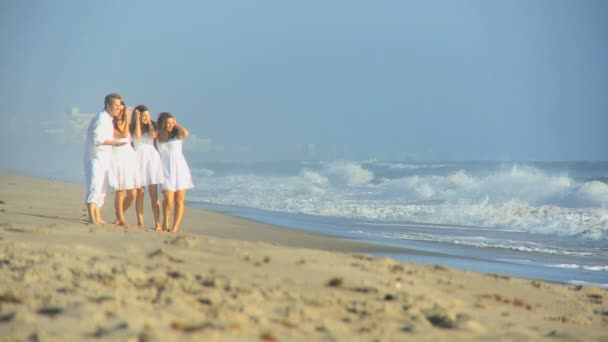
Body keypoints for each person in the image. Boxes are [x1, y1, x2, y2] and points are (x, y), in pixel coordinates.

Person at [83, 93, 126, 224]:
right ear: (108, 105)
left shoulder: (109, 118)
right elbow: (97, 139)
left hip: (104, 158)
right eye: (116, 105)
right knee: (95, 186)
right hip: (95, 157)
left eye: (120, 105)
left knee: (102, 188)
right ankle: (92, 217)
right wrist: (115, 143)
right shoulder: (101, 118)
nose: (119, 108)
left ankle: (98, 216)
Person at [156, 112, 193, 234]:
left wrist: (176, 124)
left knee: (179, 199)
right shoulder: (157, 136)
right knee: (168, 198)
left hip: (180, 169)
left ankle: (175, 227)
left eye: (172, 123)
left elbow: (186, 133)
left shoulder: (177, 135)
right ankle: (165, 221)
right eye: (168, 123)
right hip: (165, 169)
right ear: (162, 124)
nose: (170, 125)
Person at [130, 105, 163, 230]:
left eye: (148, 115)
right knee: (140, 192)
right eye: (143, 115)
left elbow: (153, 135)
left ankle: (157, 223)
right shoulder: (133, 126)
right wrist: (138, 120)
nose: (146, 117)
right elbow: (137, 136)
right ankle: (140, 222)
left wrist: (149, 122)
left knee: (153, 192)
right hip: (139, 158)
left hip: (152, 158)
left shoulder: (152, 125)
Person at [110, 101, 140, 227]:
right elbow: (123, 133)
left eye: (123, 110)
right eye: (120, 109)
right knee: (120, 190)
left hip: (129, 157)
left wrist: (137, 119)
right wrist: (127, 116)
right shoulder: (111, 123)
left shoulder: (128, 123)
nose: (121, 112)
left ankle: (119, 215)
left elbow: (137, 135)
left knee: (133, 193)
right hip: (118, 157)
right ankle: (121, 219)